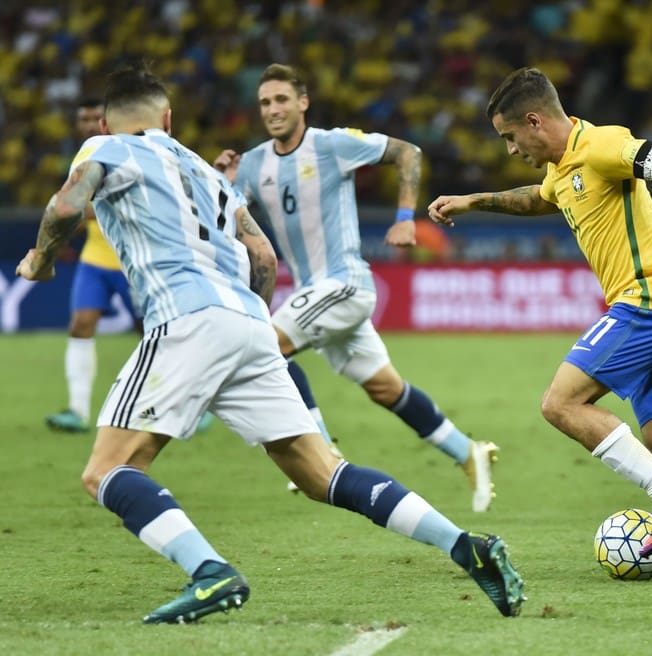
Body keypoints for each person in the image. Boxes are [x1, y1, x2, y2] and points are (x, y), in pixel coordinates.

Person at [16, 63, 524, 623]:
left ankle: (210, 573)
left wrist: (39, 260)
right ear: (167, 117)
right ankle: (464, 545)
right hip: (248, 321)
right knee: (322, 474)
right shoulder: (203, 170)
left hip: (185, 318)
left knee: (105, 471)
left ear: (110, 122)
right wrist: (251, 322)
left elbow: (65, 206)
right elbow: (262, 254)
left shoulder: (105, 148)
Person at [428, 67, 652, 585]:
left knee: (560, 403)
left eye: (510, 137)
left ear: (534, 121)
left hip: (648, 302)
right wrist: (474, 201)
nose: (510, 149)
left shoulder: (602, 146)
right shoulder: (564, 169)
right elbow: (540, 197)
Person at [213, 64, 498, 511]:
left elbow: (408, 152)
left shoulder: (330, 144)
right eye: (265, 102)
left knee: (267, 346)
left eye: (282, 99)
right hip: (314, 295)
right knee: (385, 388)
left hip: (343, 283)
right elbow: (226, 221)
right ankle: (468, 452)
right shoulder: (252, 164)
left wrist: (405, 220)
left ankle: (321, 450)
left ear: (303, 102)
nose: (273, 109)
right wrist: (221, 183)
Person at [45, 99, 141, 433]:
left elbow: (82, 207)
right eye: (82, 118)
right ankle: (78, 410)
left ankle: (195, 403)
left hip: (133, 262)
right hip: (94, 260)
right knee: (80, 325)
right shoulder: (82, 159)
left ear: (108, 120)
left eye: (93, 117)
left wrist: (70, 208)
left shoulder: (125, 153)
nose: (87, 124)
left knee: (157, 335)